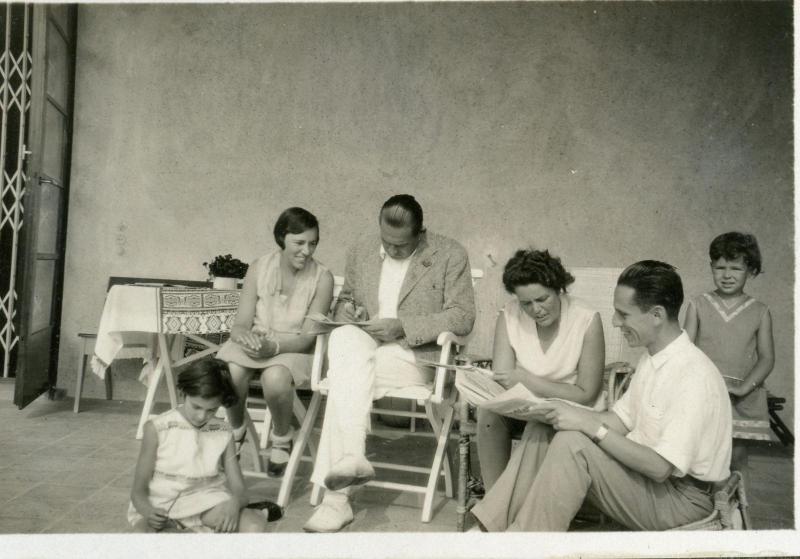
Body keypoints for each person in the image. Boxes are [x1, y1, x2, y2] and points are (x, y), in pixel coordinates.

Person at [471, 260, 732, 531]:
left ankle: (517, 542)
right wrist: (559, 411)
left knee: (574, 445)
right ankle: (499, 528)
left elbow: (659, 467)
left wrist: (590, 425)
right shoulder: (653, 359)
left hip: (680, 500)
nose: (615, 322)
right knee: (545, 429)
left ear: (656, 315)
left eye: (624, 314)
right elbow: (619, 420)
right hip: (654, 484)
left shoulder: (692, 375)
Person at [302, 194, 476, 532]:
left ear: (420, 233)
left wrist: (403, 326)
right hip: (368, 350)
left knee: (343, 376)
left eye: (401, 246)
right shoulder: (362, 250)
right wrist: (349, 311)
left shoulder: (450, 254)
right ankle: (353, 458)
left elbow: (462, 316)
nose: (393, 251)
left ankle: (336, 501)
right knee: (342, 339)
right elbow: (347, 299)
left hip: (417, 355)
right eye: (387, 243)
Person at [216, 207, 334, 476]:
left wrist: (276, 347)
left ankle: (282, 437)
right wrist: (245, 337)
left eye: (313, 243)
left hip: (294, 348)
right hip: (258, 343)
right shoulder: (259, 267)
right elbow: (240, 324)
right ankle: (235, 431)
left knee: (275, 378)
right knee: (230, 372)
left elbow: (307, 339)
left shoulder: (322, 278)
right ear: (282, 238)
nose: (307, 250)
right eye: (299, 243)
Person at [476, 249, 605, 493]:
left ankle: (520, 508)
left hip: (571, 407)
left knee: (542, 424)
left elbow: (586, 393)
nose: (536, 310)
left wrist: (527, 380)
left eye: (542, 299)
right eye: (526, 303)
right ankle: (495, 497)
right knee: (488, 414)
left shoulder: (586, 319)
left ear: (559, 289)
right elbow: (503, 376)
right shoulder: (509, 314)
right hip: (523, 405)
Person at [128, 359, 267, 533]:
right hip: (162, 504)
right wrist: (149, 512)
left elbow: (239, 489)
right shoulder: (157, 428)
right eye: (196, 406)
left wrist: (234, 503)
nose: (202, 416)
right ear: (183, 393)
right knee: (143, 537)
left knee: (253, 526)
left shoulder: (223, 432)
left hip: (206, 501)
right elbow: (138, 492)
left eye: (211, 410)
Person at [683, 232, 775, 467]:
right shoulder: (698, 304)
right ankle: (701, 503)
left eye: (735, 268)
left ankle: (736, 504)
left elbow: (766, 358)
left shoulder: (760, 311)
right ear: (711, 266)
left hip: (741, 398)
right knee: (699, 455)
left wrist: (744, 387)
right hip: (704, 393)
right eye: (720, 267)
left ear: (751, 270)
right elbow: (684, 351)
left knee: (736, 458)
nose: (726, 275)